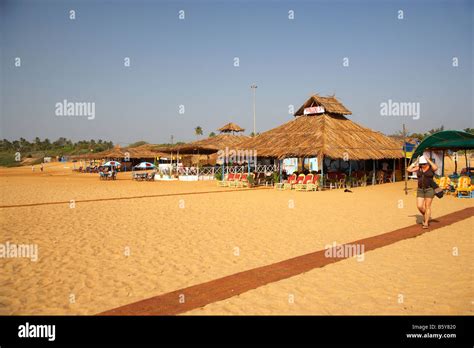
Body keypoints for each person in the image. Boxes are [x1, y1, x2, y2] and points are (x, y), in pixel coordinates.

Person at [406, 155, 438, 229]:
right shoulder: (418, 168)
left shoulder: (431, 168)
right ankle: (426, 215)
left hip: (429, 189)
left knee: (427, 206)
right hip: (420, 189)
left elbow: (435, 168)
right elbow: (408, 170)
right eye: (421, 164)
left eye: (424, 164)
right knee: (419, 206)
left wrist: (428, 159)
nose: (422, 165)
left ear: (426, 163)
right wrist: (415, 163)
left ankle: (426, 222)